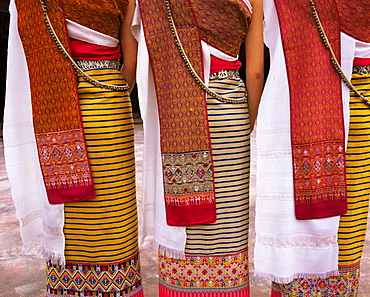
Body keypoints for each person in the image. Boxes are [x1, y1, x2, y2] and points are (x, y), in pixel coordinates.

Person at [4, 0, 144, 296]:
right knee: (113, 212)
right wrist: (107, 91)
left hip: (55, 104)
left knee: (72, 216)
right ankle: (119, 285)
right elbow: (129, 67)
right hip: (110, 104)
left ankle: (71, 285)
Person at [132, 0, 264, 296]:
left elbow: (134, 42)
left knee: (188, 223)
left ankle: (184, 286)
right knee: (229, 220)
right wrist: (247, 118)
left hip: (180, 108)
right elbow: (255, 72)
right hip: (230, 108)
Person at [254, 0, 370, 296]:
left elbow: (261, 52)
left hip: (305, 98)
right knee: (351, 212)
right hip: (360, 100)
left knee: (341, 212)